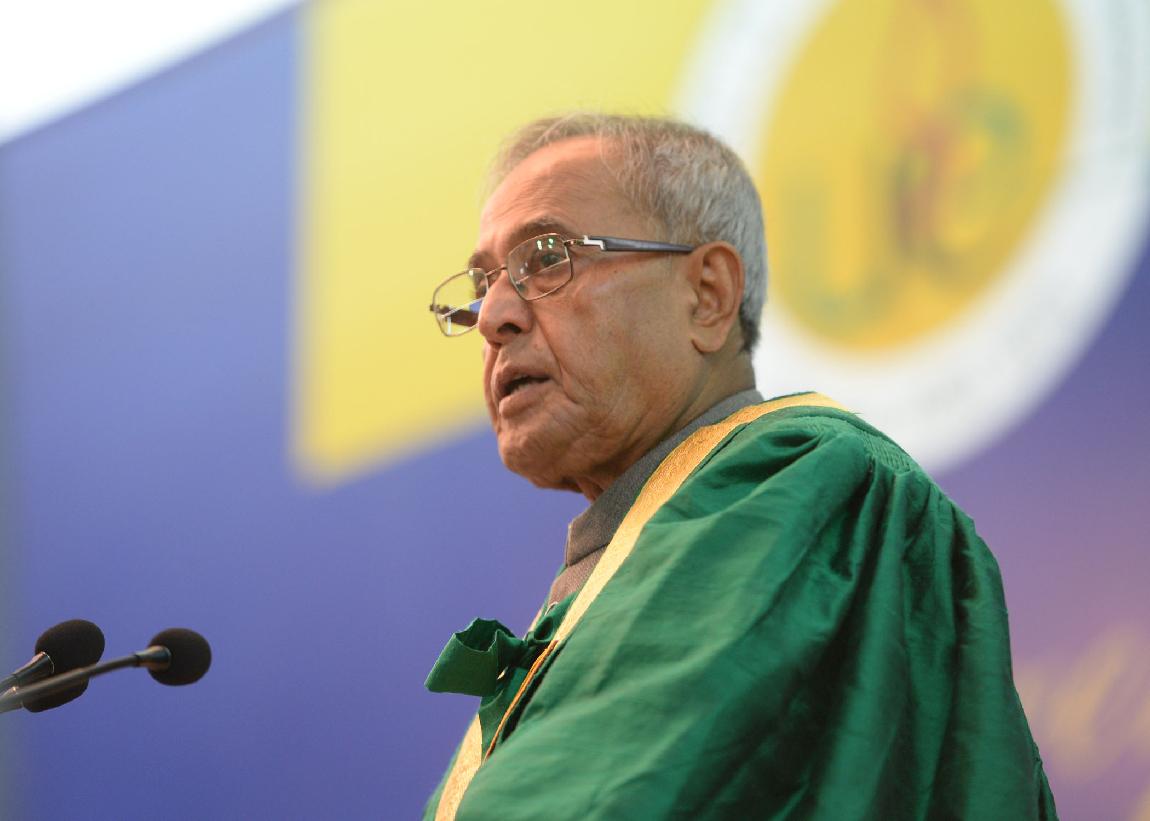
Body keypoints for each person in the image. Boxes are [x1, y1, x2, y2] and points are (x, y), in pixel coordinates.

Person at [422, 114, 1056, 820]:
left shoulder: (812, 484)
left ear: (708, 295)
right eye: (482, 283)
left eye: (546, 258)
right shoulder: (616, 561)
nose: (492, 317)